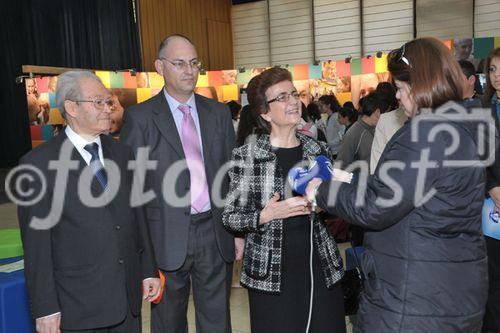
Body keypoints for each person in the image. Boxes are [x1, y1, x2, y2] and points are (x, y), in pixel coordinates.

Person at [306, 37, 489, 332]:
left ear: (422, 85)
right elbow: (391, 186)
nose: (399, 99)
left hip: (414, 298)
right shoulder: (461, 126)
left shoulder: (425, 134)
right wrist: (339, 177)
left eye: (402, 89)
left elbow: (378, 205)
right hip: (449, 289)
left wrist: (320, 191)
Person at [18, 71, 161, 333]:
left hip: (127, 300)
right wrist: (45, 307)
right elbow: (37, 247)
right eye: (99, 102)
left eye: (109, 102)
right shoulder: (37, 165)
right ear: (72, 107)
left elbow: (138, 216)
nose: (108, 109)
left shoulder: (123, 153)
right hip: (78, 305)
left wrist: (148, 269)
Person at [120, 34, 242, 333]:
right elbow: (132, 188)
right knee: (168, 322)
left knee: (217, 319)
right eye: (179, 63)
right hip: (165, 237)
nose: (189, 70)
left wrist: (238, 231)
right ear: (160, 67)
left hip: (215, 231)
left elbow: (231, 176)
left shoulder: (218, 112)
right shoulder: (140, 117)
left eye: (194, 63)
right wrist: (141, 250)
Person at [222, 68, 348, 333]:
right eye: (282, 97)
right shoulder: (247, 156)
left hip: (319, 267)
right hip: (271, 277)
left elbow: (337, 195)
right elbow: (230, 216)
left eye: (294, 94)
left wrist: (327, 202)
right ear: (265, 113)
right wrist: (265, 214)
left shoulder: (317, 148)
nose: (293, 101)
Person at [482, 46, 500, 333]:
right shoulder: (481, 110)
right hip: (491, 208)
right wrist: (492, 187)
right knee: (493, 281)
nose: (497, 76)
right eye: (493, 69)